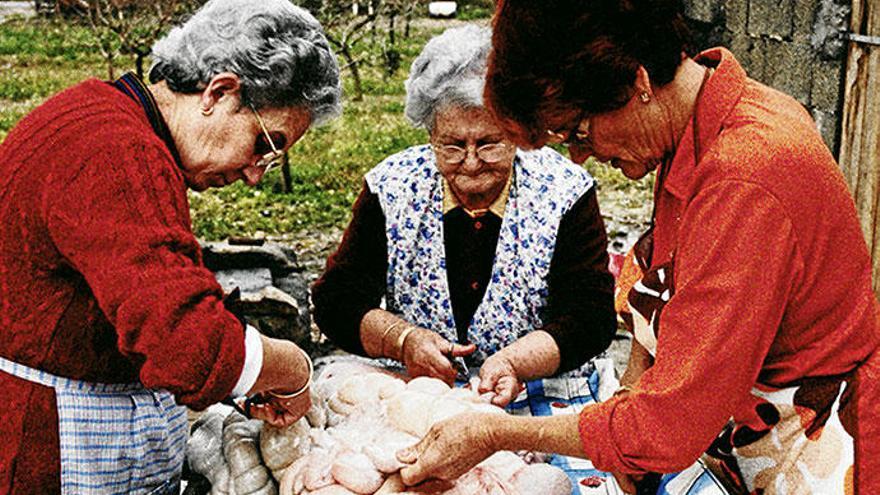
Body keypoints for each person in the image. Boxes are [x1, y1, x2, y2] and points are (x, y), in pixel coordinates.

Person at [396, 1, 880, 494]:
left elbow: (671, 423)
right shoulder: (691, 130)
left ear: (638, 84)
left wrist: (496, 434)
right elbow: (663, 292)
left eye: (578, 131)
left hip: (812, 442)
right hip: (744, 430)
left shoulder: (745, 176)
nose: (583, 154)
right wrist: (629, 401)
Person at [0, 0, 341, 492]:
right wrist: (288, 366)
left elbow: (146, 286)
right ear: (220, 91)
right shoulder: (117, 153)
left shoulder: (100, 113)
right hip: (48, 449)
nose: (253, 174)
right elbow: (185, 341)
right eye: (265, 144)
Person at [312, 25, 616, 407]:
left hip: (534, 393)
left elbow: (590, 318)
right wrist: (404, 340)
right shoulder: (392, 186)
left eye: (488, 143)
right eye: (453, 145)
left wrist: (514, 362)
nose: (471, 163)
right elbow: (336, 301)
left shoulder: (564, 191)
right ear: (430, 134)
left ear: (517, 132)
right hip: (419, 393)